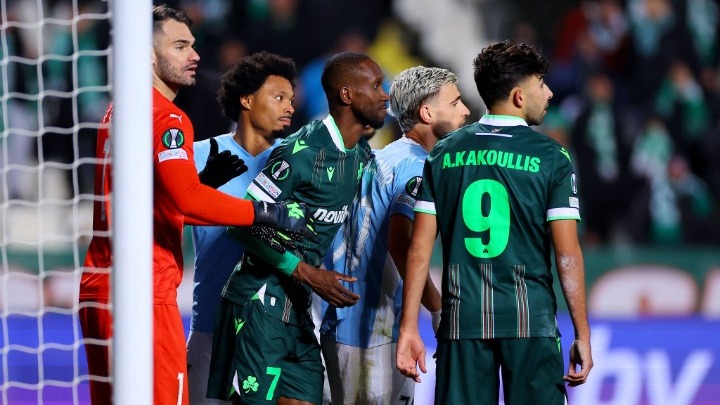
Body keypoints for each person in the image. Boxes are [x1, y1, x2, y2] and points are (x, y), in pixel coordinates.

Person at [78, 6, 313, 405]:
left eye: (193, 45)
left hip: (100, 288)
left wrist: (203, 184)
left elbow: (155, 204)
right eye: (180, 46)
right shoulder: (168, 118)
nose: (195, 55)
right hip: (144, 293)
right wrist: (264, 213)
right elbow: (187, 198)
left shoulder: (117, 111)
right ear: (148, 55)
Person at [396, 40, 594, 404]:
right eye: (541, 84)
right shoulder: (552, 157)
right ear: (519, 96)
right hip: (530, 321)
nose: (549, 93)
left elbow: (419, 248)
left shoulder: (443, 153)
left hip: (462, 322)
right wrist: (582, 333)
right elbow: (567, 254)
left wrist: (409, 327)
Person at [206, 51, 389, 405]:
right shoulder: (300, 152)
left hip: (300, 309)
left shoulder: (361, 156)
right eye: (377, 85)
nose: (385, 95)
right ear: (347, 94)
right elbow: (240, 226)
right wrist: (306, 272)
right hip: (258, 303)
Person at [319, 66, 470, 404]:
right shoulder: (417, 169)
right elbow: (401, 245)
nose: (465, 111)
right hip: (372, 333)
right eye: (455, 102)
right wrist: (438, 310)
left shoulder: (386, 156)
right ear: (427, 113)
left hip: (353, 325)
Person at [187, 51, 298, 405]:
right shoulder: (197, 156)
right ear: (247, 100)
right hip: (211, 326)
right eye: (279, 97)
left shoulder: (297, 160)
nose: (290, 107)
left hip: (276, 332)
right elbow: (163, 215)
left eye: (291, 99)